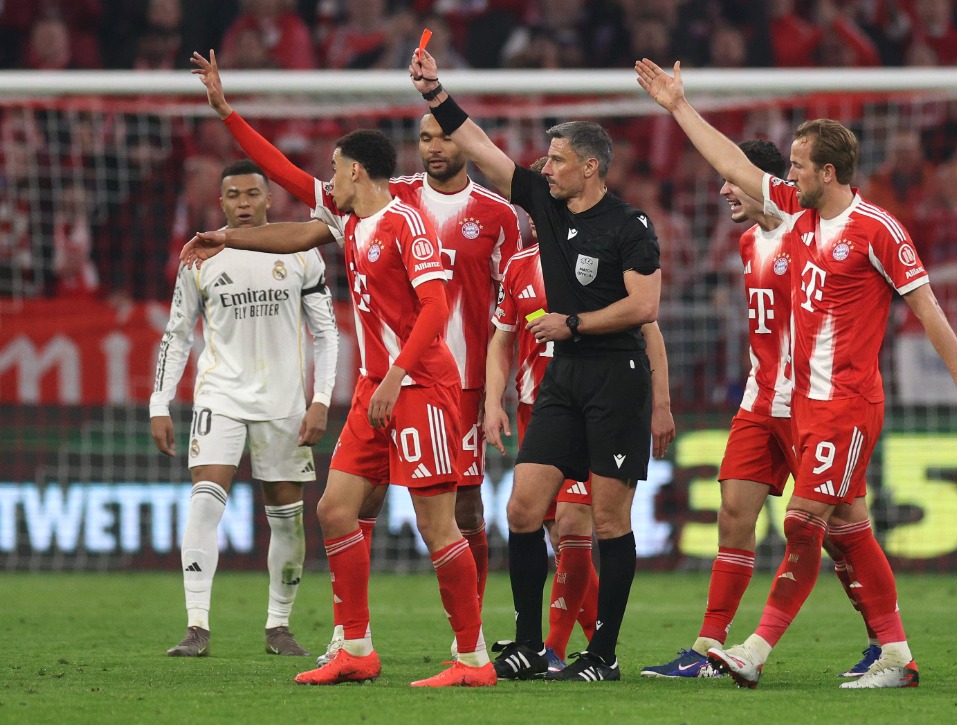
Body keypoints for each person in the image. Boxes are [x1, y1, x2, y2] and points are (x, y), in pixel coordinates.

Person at [635, 58, 957, 689]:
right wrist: (678, 106)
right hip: (801, 403)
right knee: (848, 527)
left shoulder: (877, 230)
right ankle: (895, 655)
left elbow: (927, 308)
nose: (787, 174)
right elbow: (731, 163)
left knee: (803, 523)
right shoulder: (795, 216)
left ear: (828, 172)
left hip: (847, 401)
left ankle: (754, 650)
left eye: (798, 165)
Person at [185, 50, 495, 688]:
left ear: (355, 170)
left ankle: (472, 659)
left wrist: (394, 378)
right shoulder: (348, 217)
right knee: (334, 509)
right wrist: (228, 220)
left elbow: (437, 309)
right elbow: (287, 190)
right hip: (375, 390)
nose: (326, 179)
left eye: (333, 169)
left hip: (419, 387)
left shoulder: (407, 224)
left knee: (438, 525)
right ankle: (356, 647)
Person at [409, 47, 664, 682]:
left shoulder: (629, 224)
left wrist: (572, 323)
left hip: (616, 377)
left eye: (557, 160)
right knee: (523, 510)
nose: (545, 168)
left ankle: (602, 653)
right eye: (545, 160)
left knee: (609, 519)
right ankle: (527, 644)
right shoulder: (546, 206)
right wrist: (436, 93)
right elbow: (483, 149)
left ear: (590, 167)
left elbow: (644, 306)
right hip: (563, 379)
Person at [641, 139, 876, 679]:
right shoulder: (748, 243)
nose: (726, 190)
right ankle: (707, 647)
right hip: (760, 399)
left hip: (811, 404)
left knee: (842, 530)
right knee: (733, 514)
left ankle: (881, 640)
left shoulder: (806, 232)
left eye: (734, 180)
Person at [316, 100, 522, 668]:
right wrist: (228, 115)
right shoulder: (386, 201)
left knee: (458, 516)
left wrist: (497, 391)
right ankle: (352, 641)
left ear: (467, 145)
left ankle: (470, 647)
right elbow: (304, 206)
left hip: (444, 382)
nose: (434, 146)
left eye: (445, 137)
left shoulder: (493, 215)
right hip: (384, 381)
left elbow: (505, 304)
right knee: (342, 507)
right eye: (426, 137)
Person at [483, 164, 675, 673]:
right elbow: (502, 338)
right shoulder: (519, 266)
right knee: (527, 514)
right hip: (545, 401)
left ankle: (578, 649)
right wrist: (493, 401)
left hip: (607, 393)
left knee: (581, 524)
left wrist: (661, 404)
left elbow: (648, 325)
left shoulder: (604, 241)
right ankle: (537, 646)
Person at [151, 159, 338, 658]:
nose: (243, 203)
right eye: (233, 195)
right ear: (221, 202)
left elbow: (326, 333)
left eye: (252, 193)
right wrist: (159, 403)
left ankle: (279, 626)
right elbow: (176, 335)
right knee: (205, 501)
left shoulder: (300, 251)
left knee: (287, 518)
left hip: (284, 403)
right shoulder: (199, 256)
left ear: (269, 198)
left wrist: (320, 400)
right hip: (221, 396)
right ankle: (196, 626)